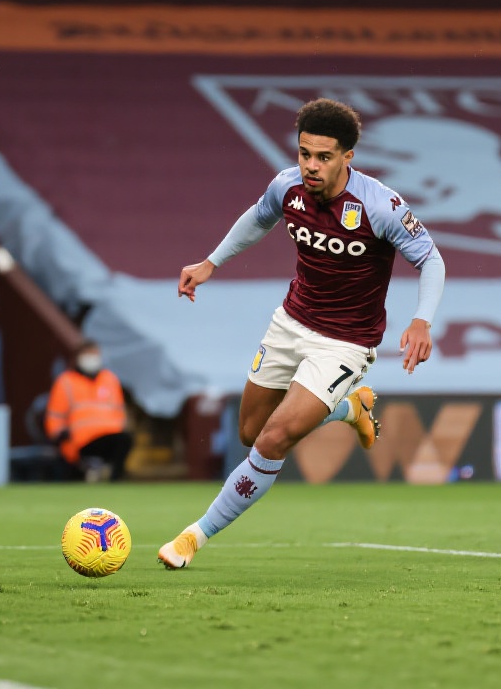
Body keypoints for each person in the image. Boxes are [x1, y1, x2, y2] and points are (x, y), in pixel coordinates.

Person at [158, 98, 445, 569]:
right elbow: (259, 217)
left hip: (345, 343)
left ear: (348, 156)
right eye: (304, 153)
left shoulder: (380, 206)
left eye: (324, 157)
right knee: (250, 432)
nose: (311, 166)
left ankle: (193, 537)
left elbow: (430, 259)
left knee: (273, 439)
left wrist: (421, 320)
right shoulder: (287, 186)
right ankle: (350, 408)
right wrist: (212, 262)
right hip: (290, 323)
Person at [45, 341, 133, 482]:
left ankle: (112, 477)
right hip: (81, 439)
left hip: (112, 434)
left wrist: (123, 426)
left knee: (124, 440)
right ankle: (94, 471)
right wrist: (59, 435)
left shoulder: (110, 379)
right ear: (78, 357)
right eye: (88, 354)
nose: (92, 358)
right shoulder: (66, 381)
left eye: (95, 354)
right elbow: (55, 415)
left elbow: (119, 410)